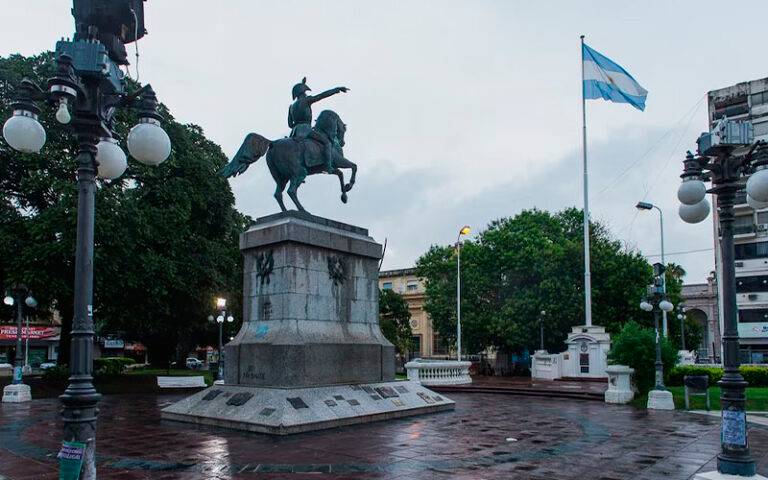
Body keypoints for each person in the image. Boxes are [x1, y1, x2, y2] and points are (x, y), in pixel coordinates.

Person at [288, 77, 348, 173]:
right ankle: (328, 166)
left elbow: (290, 124)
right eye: (305, 92)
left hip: (294, 133)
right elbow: (322, 95)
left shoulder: (291, 107)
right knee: (327, 143)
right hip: (306, 130)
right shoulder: (306, 100)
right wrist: (336, 90)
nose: (306, 93)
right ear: (302, 93)